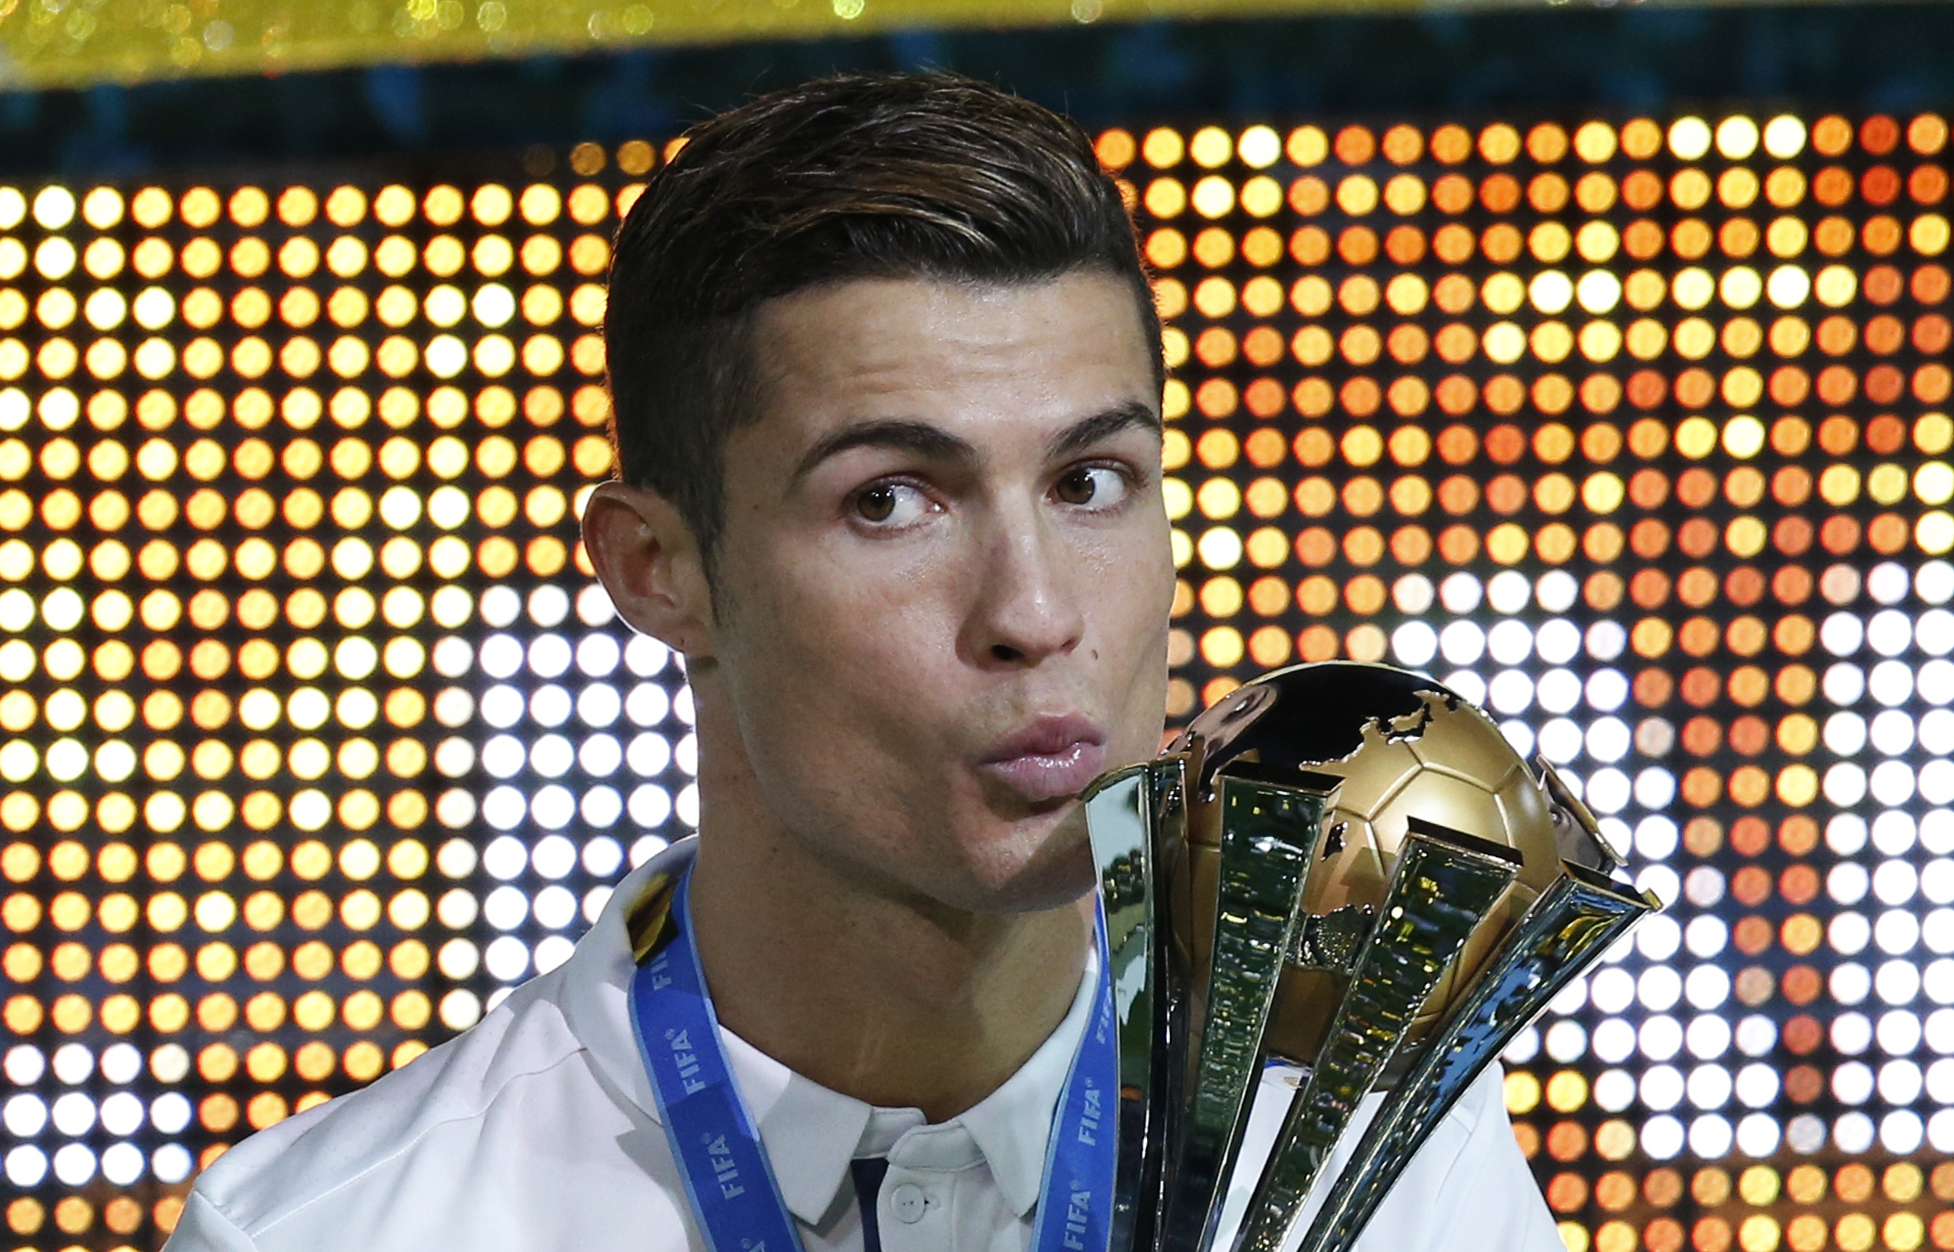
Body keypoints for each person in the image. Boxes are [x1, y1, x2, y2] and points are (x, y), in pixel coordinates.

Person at [163, 71, 1561, 1252]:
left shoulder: (1388, 1176)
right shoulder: (335, 1229)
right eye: (890, 498)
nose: (1032, 610)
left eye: (1088, 481)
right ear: (661, 573)